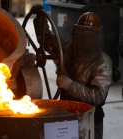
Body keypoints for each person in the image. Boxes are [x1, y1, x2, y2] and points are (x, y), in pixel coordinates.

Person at [33, 8, 112, 139]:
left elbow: (98, 96)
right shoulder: (69, 48)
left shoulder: (103, 63)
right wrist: (40, 21)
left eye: (89, 36)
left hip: (90, 119)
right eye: (82, 35)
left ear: (96, 37)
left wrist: (69, 85)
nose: (85, 40)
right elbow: (48, 42)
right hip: (65, 113)